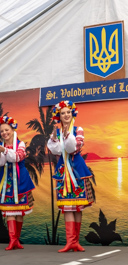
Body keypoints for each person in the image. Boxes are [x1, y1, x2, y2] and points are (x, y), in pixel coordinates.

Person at [47, 100, 94, 253]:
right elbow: (56, 151)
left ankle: (76, 242)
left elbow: (74, 149)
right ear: (58, 116)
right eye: (63, 113)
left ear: (72, 113)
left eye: (68, 112)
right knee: (68, 207)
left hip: (77, 170)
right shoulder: (57, 133)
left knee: (77, 208)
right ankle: (70, 242)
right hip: (63, 171)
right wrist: (55, 139)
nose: (66, 115)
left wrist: (67, 136)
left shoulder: (78, 130)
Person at [0, 116, 35, 250]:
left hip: (20, 180)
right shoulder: (0, 146)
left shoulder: (20, 144)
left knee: (19, 211)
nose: (4, 133)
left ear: (12, 129)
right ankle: (12, 240)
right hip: (6, 181)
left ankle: (17, 239)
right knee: (10, 211)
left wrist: (4, 151)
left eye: (7, 130)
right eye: (2, 131)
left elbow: (18, 157)